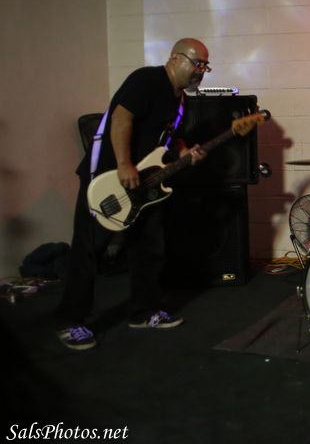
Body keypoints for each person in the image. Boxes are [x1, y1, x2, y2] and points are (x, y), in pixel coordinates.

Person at [54, 38, 210, 351]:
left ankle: (143, 312)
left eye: (205, 66)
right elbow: (121, 117)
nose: (201, 71)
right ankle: (71, 321)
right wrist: (124, 164)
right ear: (175, 58)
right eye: (197, 63)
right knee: (88, 249)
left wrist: (184, 152)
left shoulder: (181, 101)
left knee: (149, 248)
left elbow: (172, 140)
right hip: (107, 178)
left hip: (145, 184)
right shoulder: (146, 80)